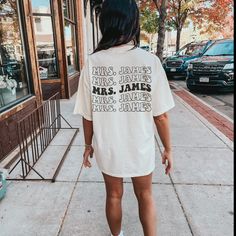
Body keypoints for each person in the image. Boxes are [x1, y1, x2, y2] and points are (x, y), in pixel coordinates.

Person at [73, 0, 175, 235]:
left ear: (104, 23)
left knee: (113, 195)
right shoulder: (150, 62)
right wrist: (168, 149)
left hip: (109, 146)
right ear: (133, 23)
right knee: (146, 195)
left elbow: (88, 116)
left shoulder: (93, 63)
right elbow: (161, 116)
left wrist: (88, 145)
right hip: (140, 145)